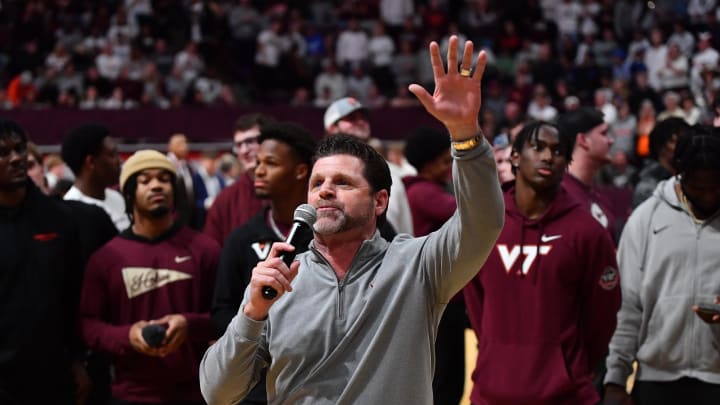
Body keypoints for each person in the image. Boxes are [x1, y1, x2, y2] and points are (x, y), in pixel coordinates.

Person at [199, 35, 504, 404]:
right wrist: (252, 312)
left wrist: (465, 135)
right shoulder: (279, 280)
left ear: (379, 201)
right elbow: (217, 393)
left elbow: (482, 222)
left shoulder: (417, 265)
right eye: (317, 183)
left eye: (342, 182)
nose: (325, 191)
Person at [463, 121, 621, 405]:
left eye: (558, 151)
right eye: (537, 147)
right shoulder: (485, 224)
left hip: (566, 395)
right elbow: (474, 300)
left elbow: (602, 317)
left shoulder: (587, 231)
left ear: (567, 162)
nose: (548, 156)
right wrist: (495, 351)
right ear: (515, 157)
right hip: (491, 392)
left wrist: (569, 368)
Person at [79, 150, 220, 405]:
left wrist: (189, 325)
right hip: (130, 394)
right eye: (145, 180)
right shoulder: (105, 258)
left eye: (164, 179)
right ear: (130, 192)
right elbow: (89, 325)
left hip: (196, 392)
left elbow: (228, 316)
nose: (156, 185)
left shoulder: (205, 249)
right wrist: (127, 336)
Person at [604, 127, 720, 405]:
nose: (707, 196)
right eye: (698, 187)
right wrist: (615, 379)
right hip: (656, 380)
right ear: (680, 175)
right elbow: (627, 305)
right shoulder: (647, 218)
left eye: (716, 187)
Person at [212, 122, 317, 405]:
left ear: (300, 171)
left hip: (319, 378)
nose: (257, 170)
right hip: (256, 384)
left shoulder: (333, 235)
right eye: (257, 162)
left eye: (270, 163)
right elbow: (222, 309)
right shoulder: (241, 239)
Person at [0, 119, 84, 404]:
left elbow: (74, 295)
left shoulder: (59, 218)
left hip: (52, 372)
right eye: (3, 153)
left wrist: (77, 360)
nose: (15, 159)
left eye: (19, 149)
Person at [402, 126, 465, 405]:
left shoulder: (419, 189)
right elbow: (471, 213)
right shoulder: (424, 193)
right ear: (428, 164)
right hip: (436, 295)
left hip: (440, 294)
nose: (450, 166)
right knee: (444, 380)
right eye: (445, 161)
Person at [323, 96, 415, 236]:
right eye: (352, 118)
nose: (360, 122)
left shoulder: (389, 172)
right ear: (332, 127)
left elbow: (404, 228)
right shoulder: (320, 175)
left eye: (363, 118)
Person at [203, 114, 275, 246]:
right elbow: (212, 251)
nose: (244, 150)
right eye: (238, 145)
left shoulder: (291, 189)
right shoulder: (225, 200)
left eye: (250, 141)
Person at [558, 107, 618, 240]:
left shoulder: (599, 197)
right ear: (583, 140)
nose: (610, 140)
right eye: (604, 133)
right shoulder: (557, 196)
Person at [61, 123, 129, 232]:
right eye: (112, 154)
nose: (119, 161)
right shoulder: (70, 211)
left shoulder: (117, 197)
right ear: (91, 162)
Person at [632, 117, 690, 208]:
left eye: (685, 141)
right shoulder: (648, 187)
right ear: (660, 146)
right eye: (675, 141)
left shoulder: (688, 177)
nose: (683, 146)